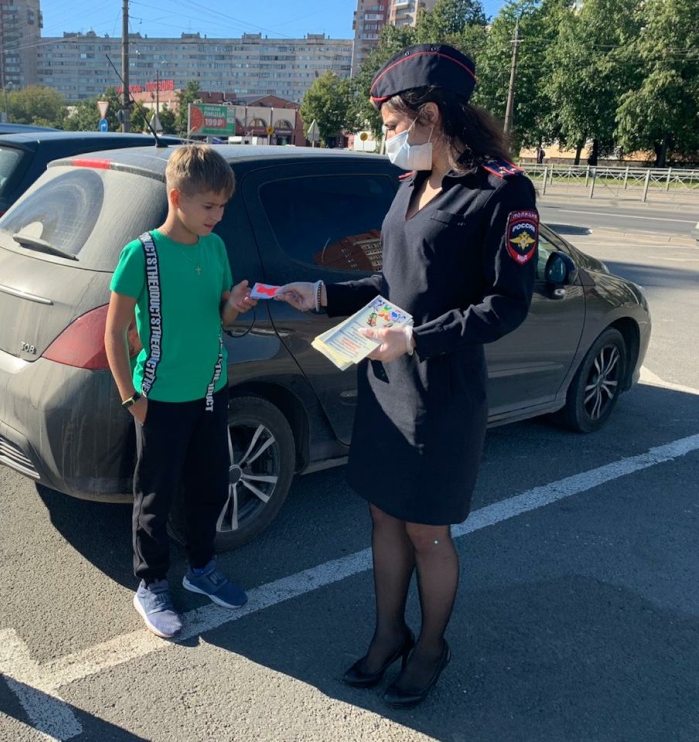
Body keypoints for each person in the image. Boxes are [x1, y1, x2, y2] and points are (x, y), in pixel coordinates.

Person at [277, 44, 539, 708]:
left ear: (430, 116)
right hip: (387, 383)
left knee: (427, 531)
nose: (388, 138)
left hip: (442, 393)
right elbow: (391, 282)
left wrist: (418, 337)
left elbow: (507, 304)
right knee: (383, 515)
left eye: (393, 125)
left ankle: (431, 647)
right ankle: (389, 633)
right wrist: (323, 294)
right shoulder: (408, 185)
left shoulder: (503, 191)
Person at [105, 144, 258, 639]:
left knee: (210, 486)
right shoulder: (142, 253)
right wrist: (132, 398)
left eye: (223, 206)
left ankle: (201, 568)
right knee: (156, 495)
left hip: (211, 390)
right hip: (161, 399)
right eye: (209, 206)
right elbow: (113, 332)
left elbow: (221, 317)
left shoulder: (215, 247)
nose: (218, 216)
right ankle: (150, 584)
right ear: (176, 197)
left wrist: (235, 304)